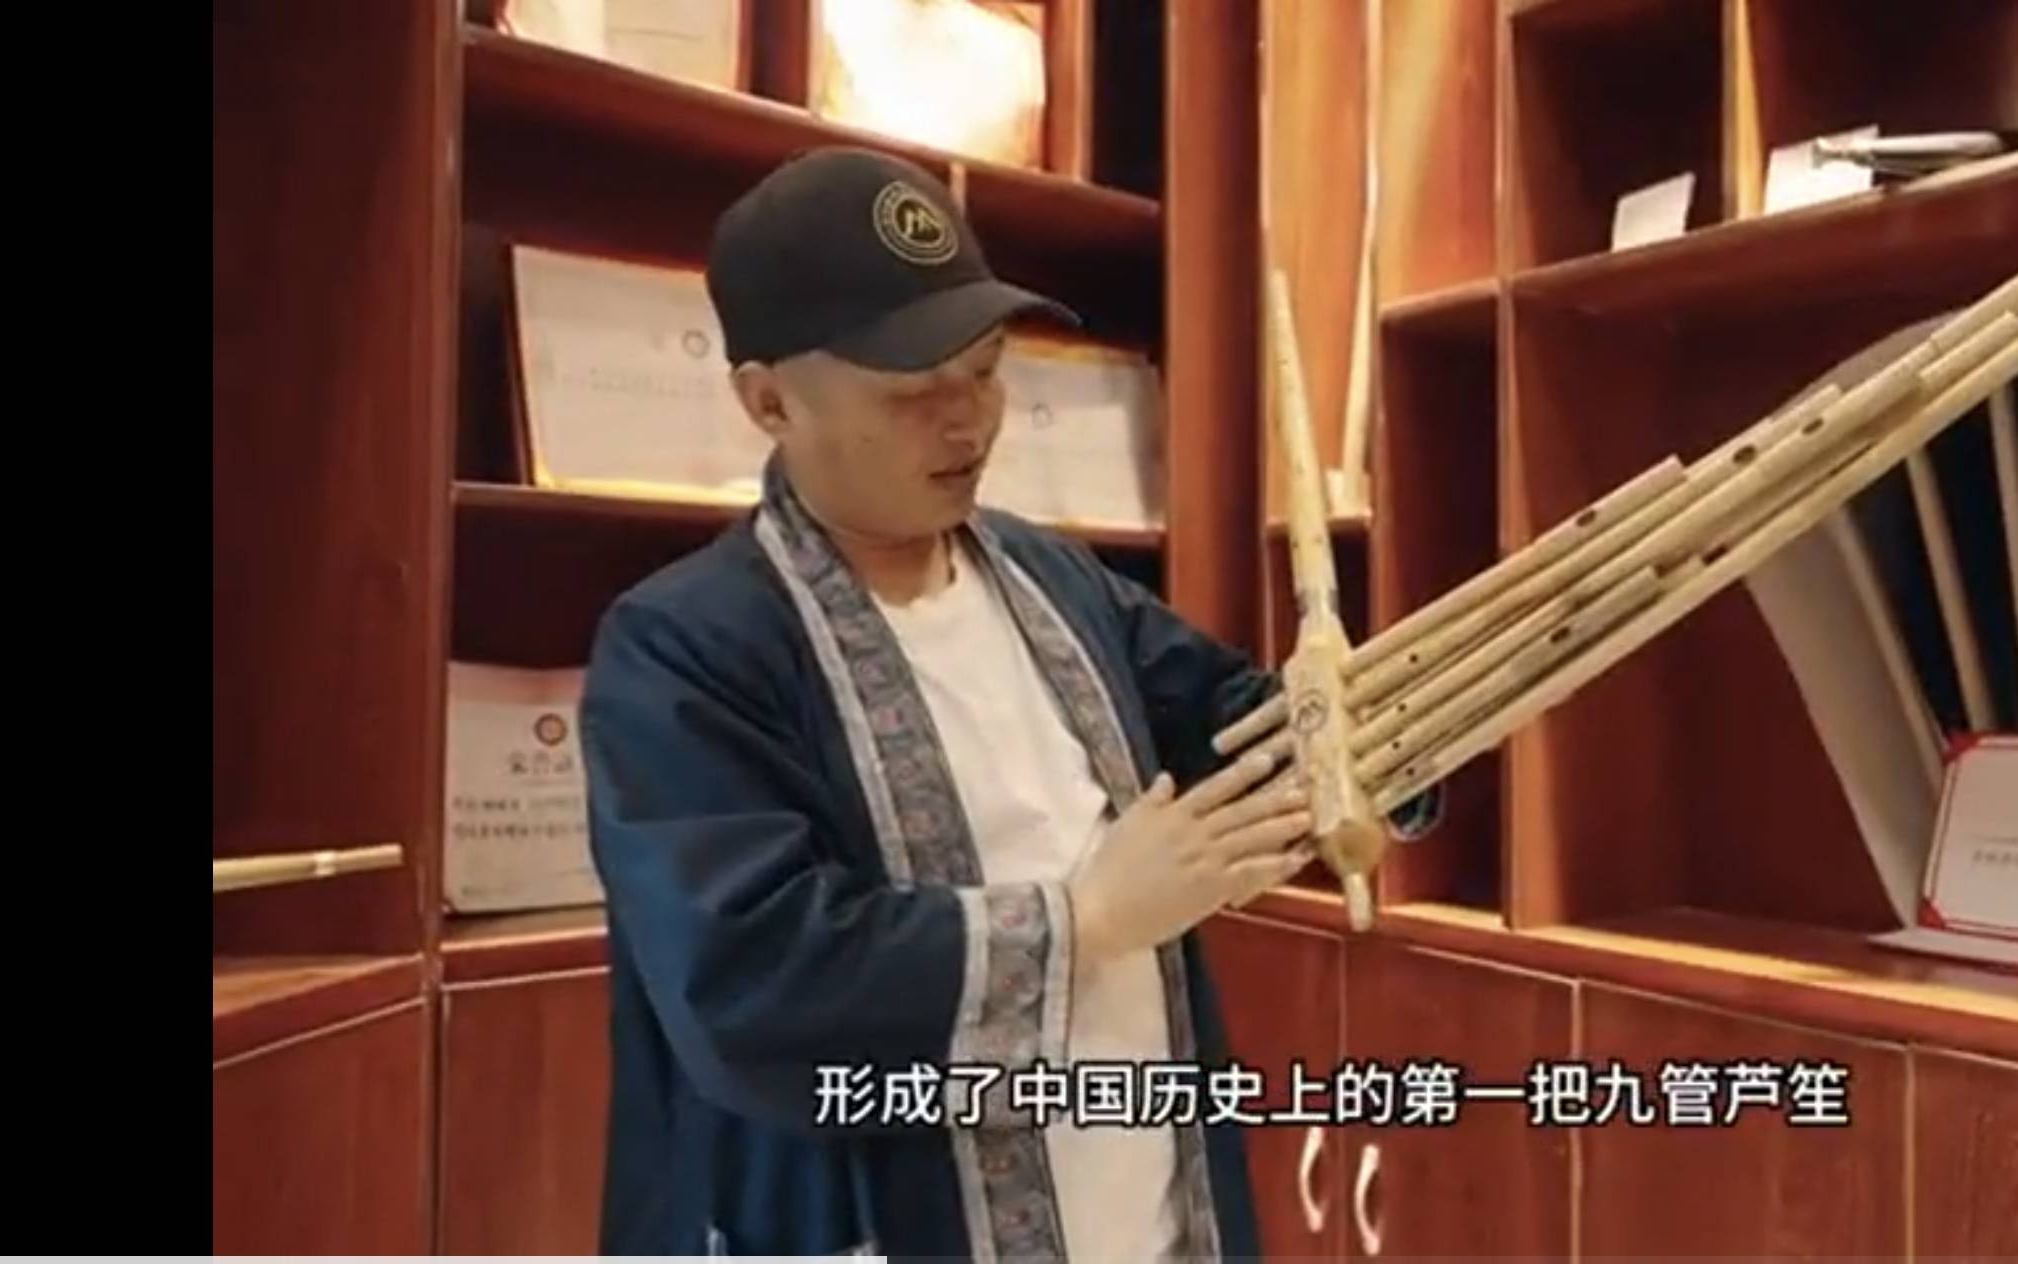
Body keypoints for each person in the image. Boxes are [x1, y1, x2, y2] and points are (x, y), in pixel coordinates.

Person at [579, 145, 1428, 1259]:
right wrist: (1088, 922)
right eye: (911, 392)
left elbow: (1243, 726)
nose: (969, 422)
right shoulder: (686, 646)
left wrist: (1393, 726)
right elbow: (747, 981)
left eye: (984, 370)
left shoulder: (1049, 577)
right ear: (768, 399)